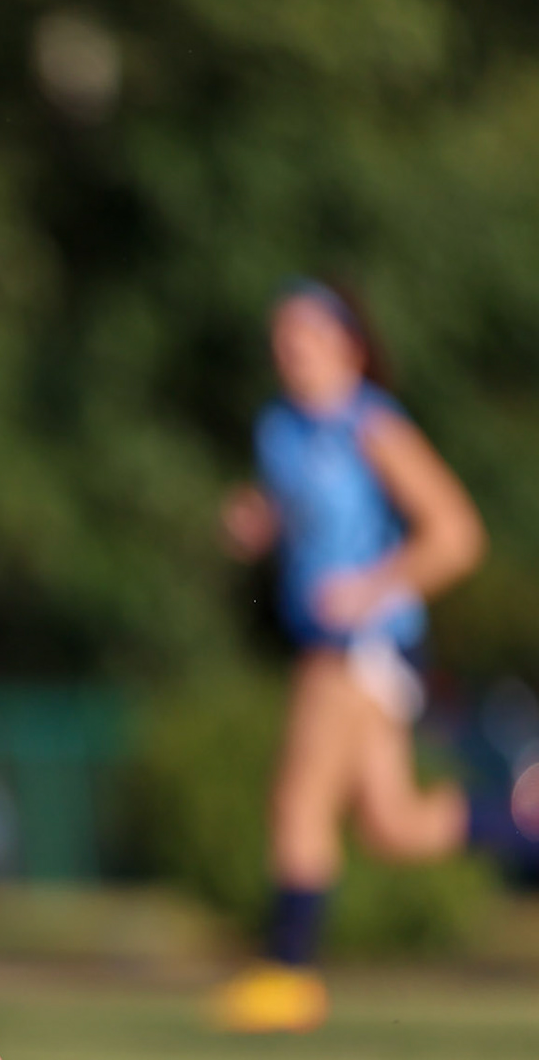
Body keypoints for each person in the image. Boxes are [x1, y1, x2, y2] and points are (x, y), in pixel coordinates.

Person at [212, 280, 488, 1033]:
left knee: (298, 800)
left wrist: (372, 586)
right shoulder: (282, 429)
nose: (289, 351)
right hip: (327, 641)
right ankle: (524, 827)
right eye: (282, 338)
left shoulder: (374, 426)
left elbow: (456, 534)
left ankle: (289, 978)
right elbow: (299, 508)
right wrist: (258, 523)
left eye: (305, 337)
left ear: (350, 347)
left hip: (363, 645)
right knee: (390, 825)